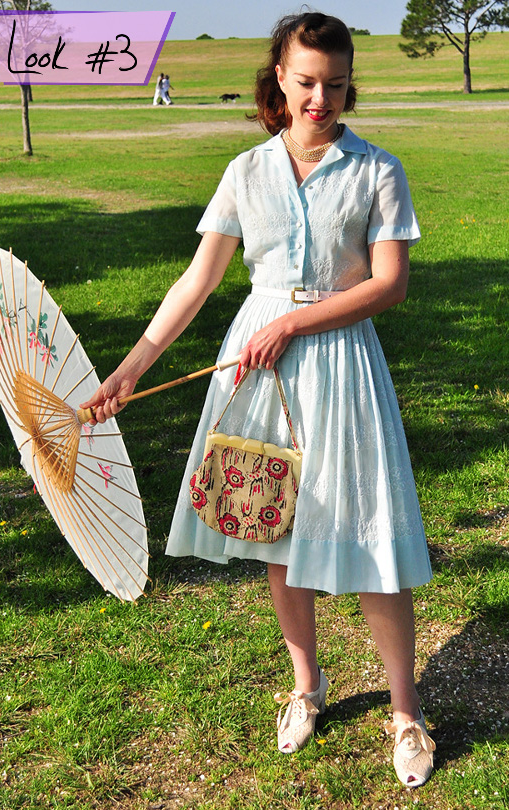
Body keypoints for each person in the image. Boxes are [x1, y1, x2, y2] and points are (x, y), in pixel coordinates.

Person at [81, 12, 435, 788]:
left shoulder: (377, 169)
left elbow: (389, 284)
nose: (321, 100)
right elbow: (197, 281)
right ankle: (306, 686)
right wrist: (135, 366)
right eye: (307, 82)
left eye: (336, 86)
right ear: (279, 76)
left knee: (366, 531)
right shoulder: (246, 170)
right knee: (272, 525)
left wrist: (297, 320)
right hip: (256, 366)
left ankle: (405, 709)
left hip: (339, 361)